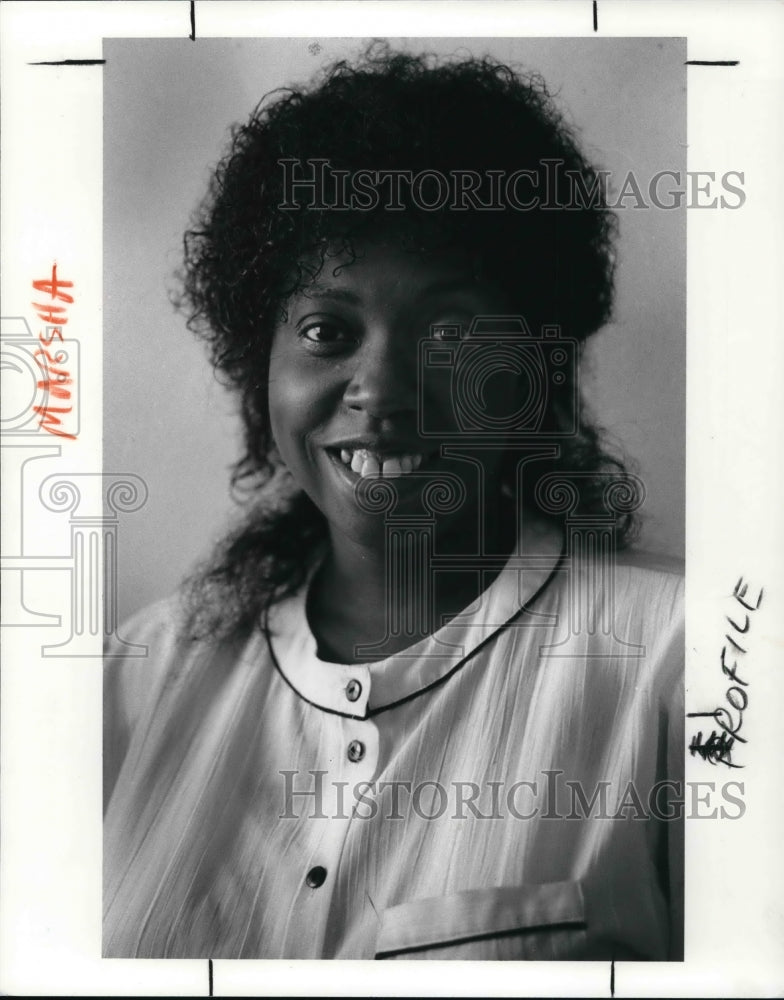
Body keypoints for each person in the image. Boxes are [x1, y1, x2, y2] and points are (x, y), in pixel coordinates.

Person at [103, 44, 684, 960]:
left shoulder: (686, 664)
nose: (382, 388)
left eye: (452, 332)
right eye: (328, 332)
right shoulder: (130, 681)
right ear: (262, 371)